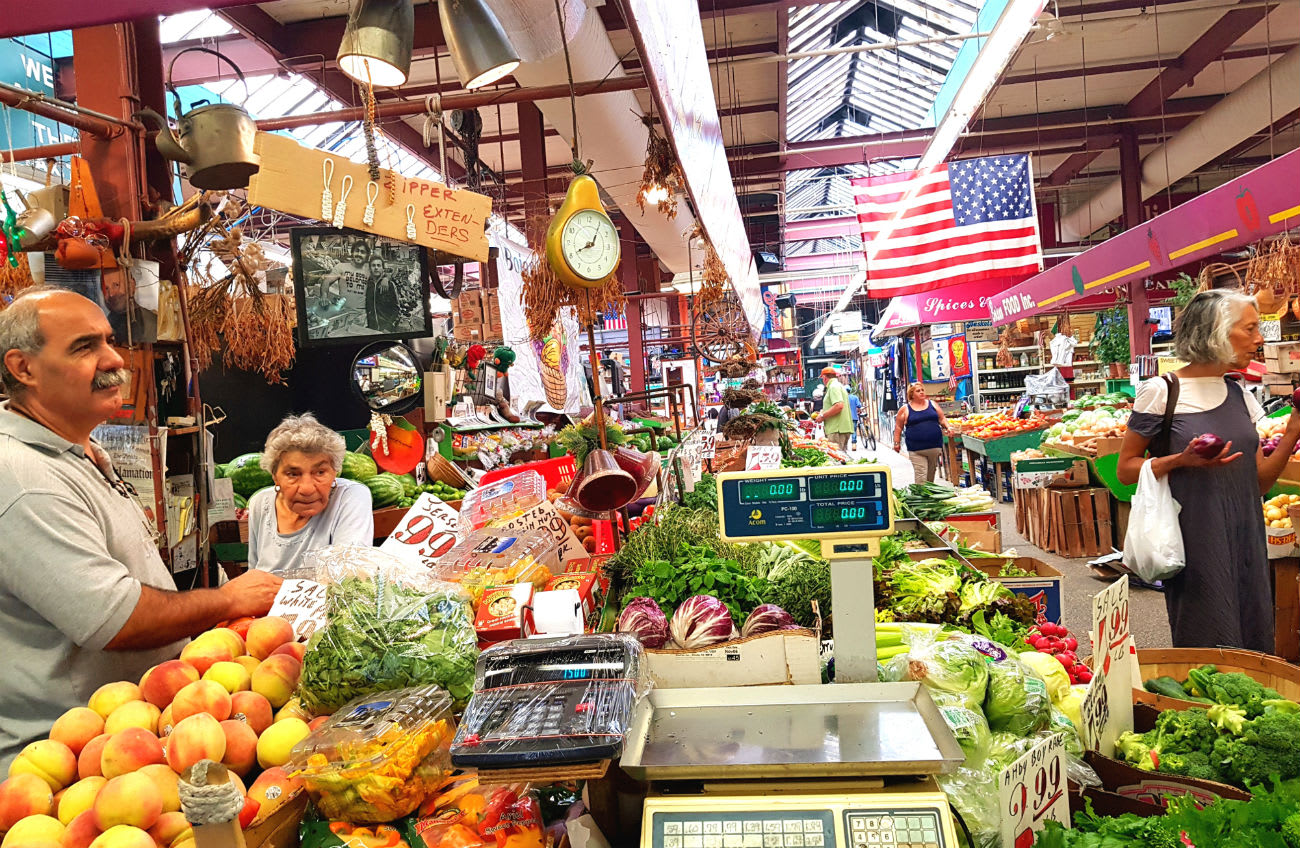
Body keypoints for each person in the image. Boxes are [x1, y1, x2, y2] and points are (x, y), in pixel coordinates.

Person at [0, 287, 282, 766]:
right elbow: (114, 618)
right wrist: (229, 600)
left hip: (140, 732)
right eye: (84, 347)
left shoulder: (77, 451)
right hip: (70, 761)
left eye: (109, 341)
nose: (114, 360)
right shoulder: (24, 479)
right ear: (23, 368)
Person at [1117, 289, 1300, 652]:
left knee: (1253, 631)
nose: (1259, 339)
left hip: (1247, 533)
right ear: (1216, 332)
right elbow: (1125, 469)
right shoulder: (1162, 392)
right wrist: (1179, 461)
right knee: (1205, 634)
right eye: (1249, 329)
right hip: (1196, 536)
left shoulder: (1239, 394)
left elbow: (1259, 482)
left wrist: (1293, 430)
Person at [248, 414, 375, 575]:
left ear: (335, 472)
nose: (307, 489)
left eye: (320, 472)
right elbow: (254, 577)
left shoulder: (351, 496)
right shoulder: (260, 503)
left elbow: (348, 576)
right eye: (293, 474)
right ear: (275, 476)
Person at [894, 383, 950, 483]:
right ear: (912, 395)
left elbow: (942, 418)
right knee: (921, 474)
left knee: (931, 473)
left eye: (922, 390)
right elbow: (898, 427)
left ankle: (928, 496)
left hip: (934, 446)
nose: (921, 392)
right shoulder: (905, 409)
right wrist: (896, 442)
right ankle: (920, 496)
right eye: (918, 391)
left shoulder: (932, 404)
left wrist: (948, 427)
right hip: (916, 449)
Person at [813, 366, 853, 450]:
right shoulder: (838, 385)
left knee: (837, 458)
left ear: (824, 377)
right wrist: (822, 412)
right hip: (841, 428)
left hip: (837, 429)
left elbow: (839, 406)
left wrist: (823, 416)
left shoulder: (833, 387)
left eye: (822, 378)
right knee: (842, 457)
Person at [365, 255, 402, 333]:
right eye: (373, 265)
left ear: (382, 268)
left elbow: (397, 309)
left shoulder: (390, 285)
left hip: (386, 330)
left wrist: (389, 327)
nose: (376, 268)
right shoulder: (368, 285)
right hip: (371, 329)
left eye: (378, 265)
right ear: (370, 268)